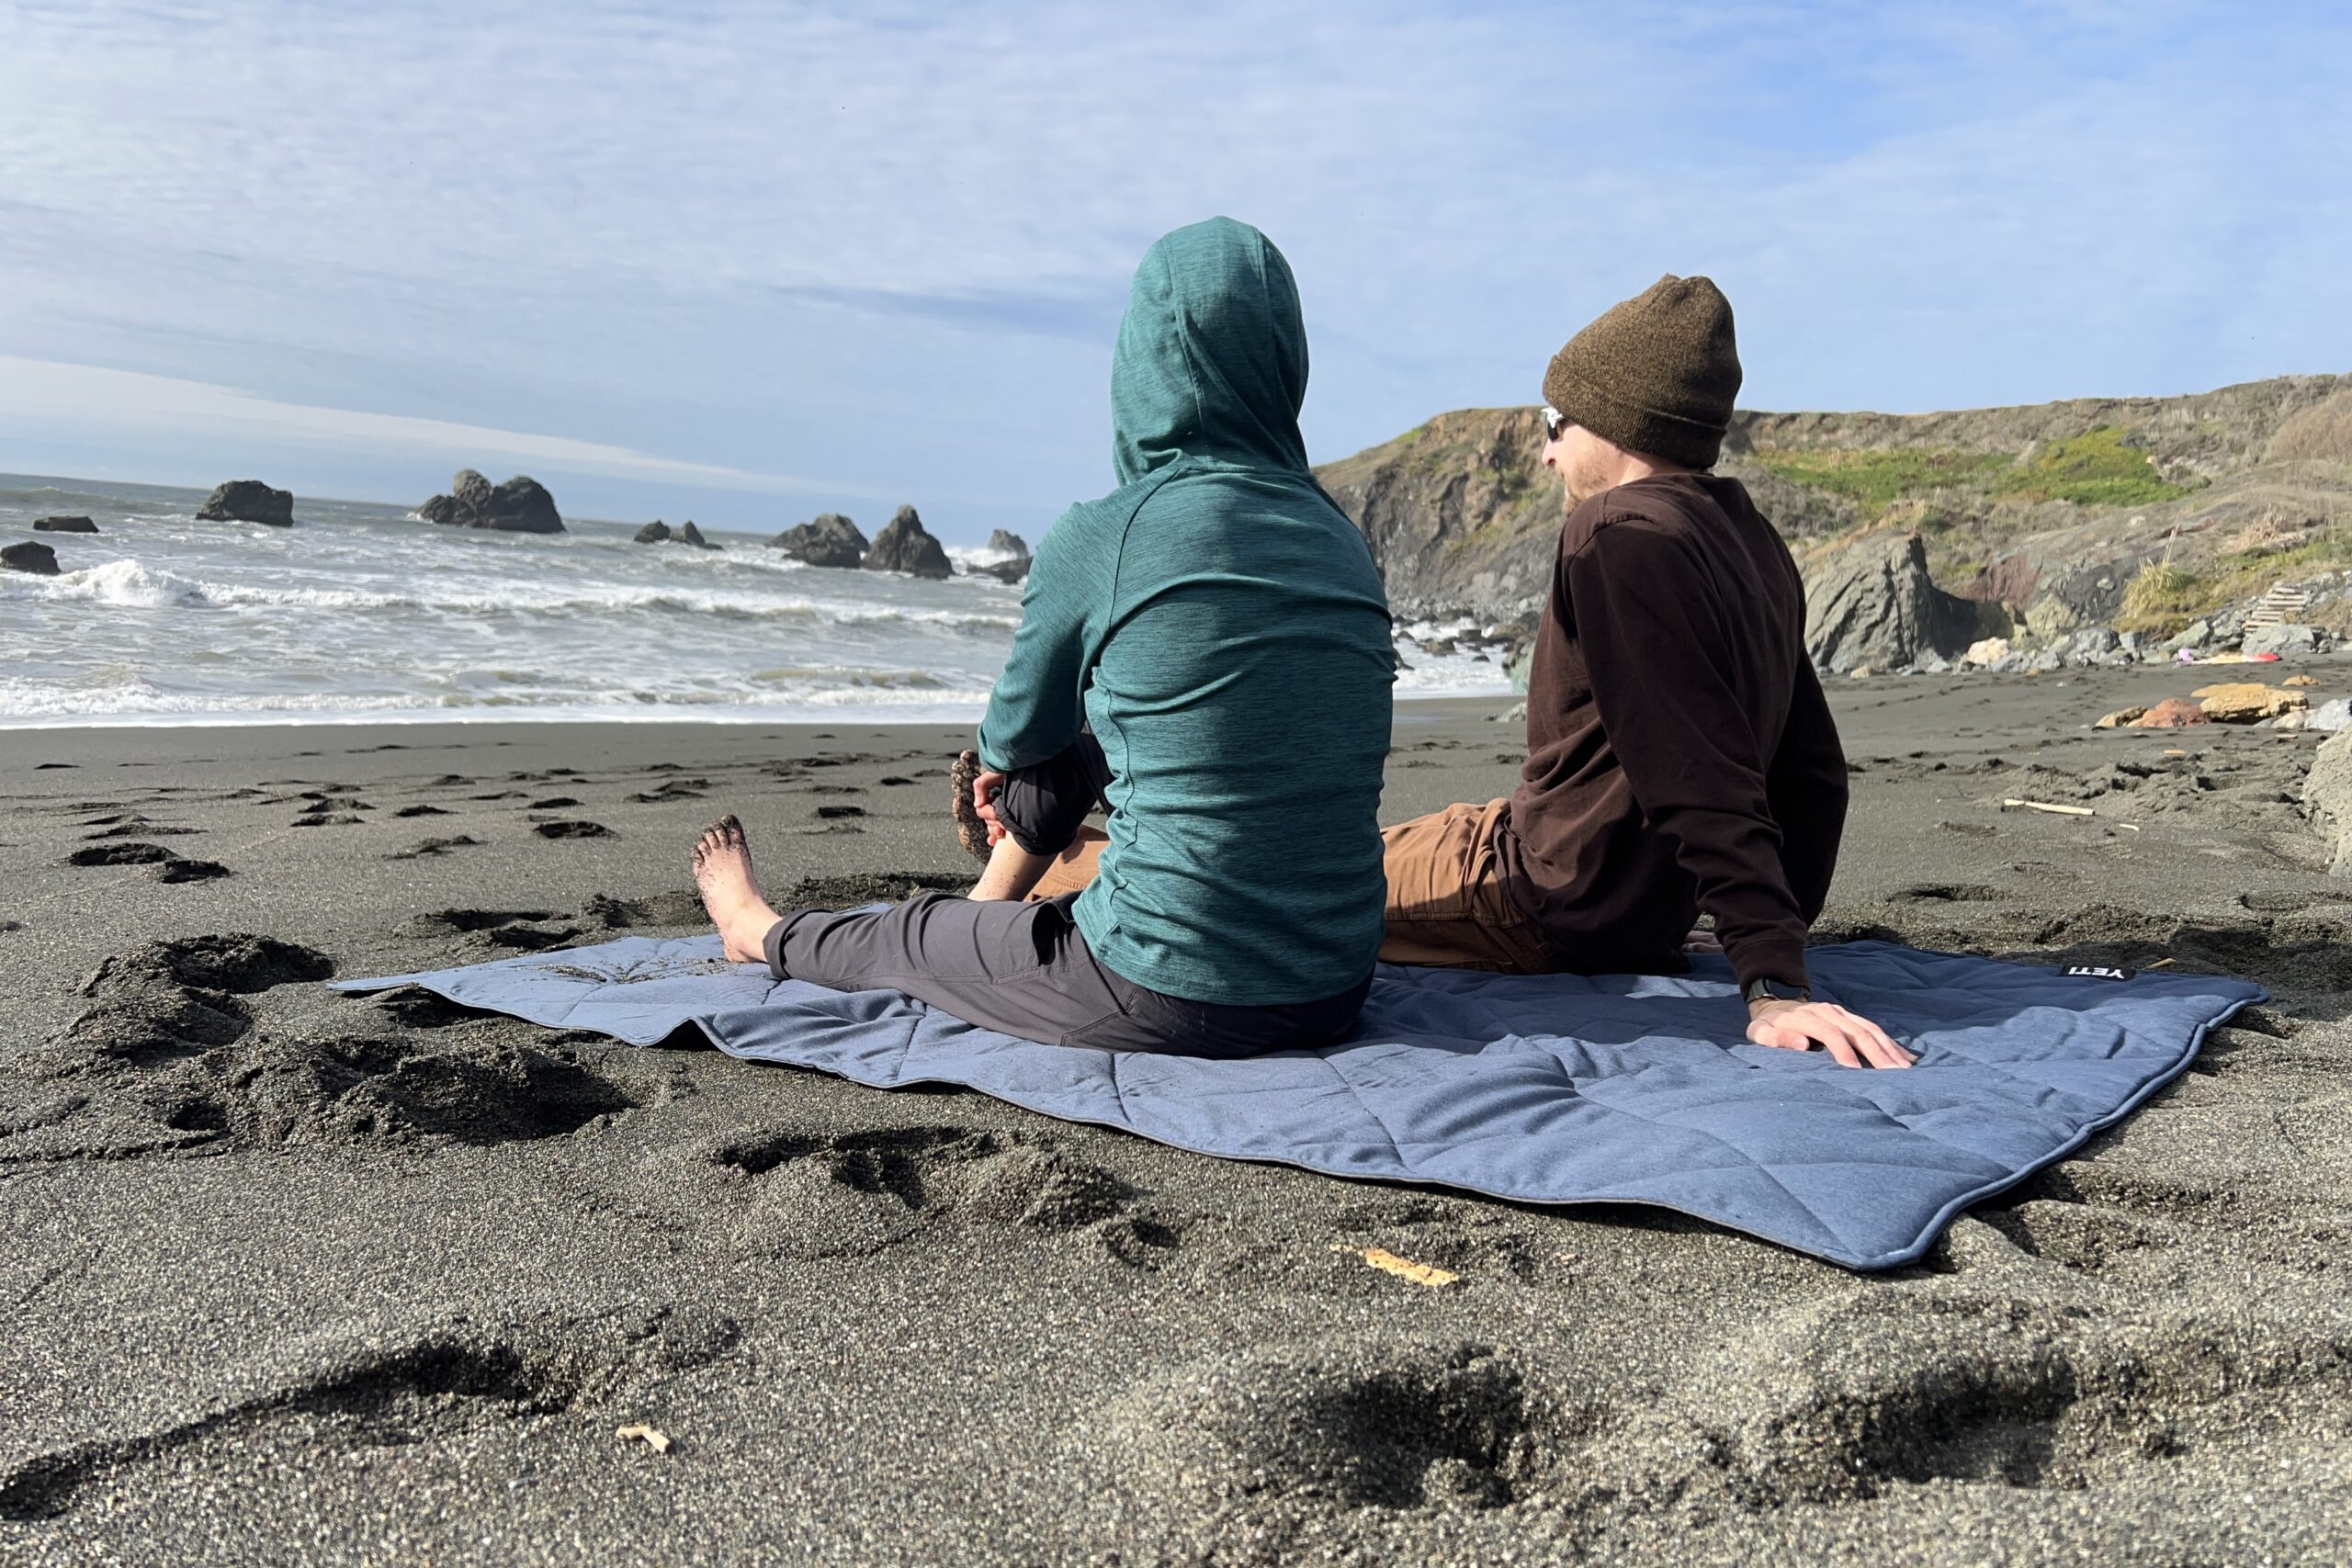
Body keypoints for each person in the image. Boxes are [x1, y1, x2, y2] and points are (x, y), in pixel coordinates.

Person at [692, 217, 1395, 1057]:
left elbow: (1014, 735)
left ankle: (756, 929)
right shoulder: (1340, 538)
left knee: (912, 934)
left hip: (1163, 987)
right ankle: (989, 912)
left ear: (1143, 365)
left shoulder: (1110, 533)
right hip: (1338, 983)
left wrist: (1001, 772)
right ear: (1287, 360)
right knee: (1112, 735)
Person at [1378, 274, 1911, 1069]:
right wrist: (1766, 927)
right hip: (1618, 904)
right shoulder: (1748, 537)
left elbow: (1692, 767)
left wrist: (1771, 978)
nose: (1548, 447)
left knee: (1252, 884)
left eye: (1556, 422)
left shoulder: (1616, 536)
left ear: (1618, 423)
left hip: (1538, 894)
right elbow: (1814, 772)